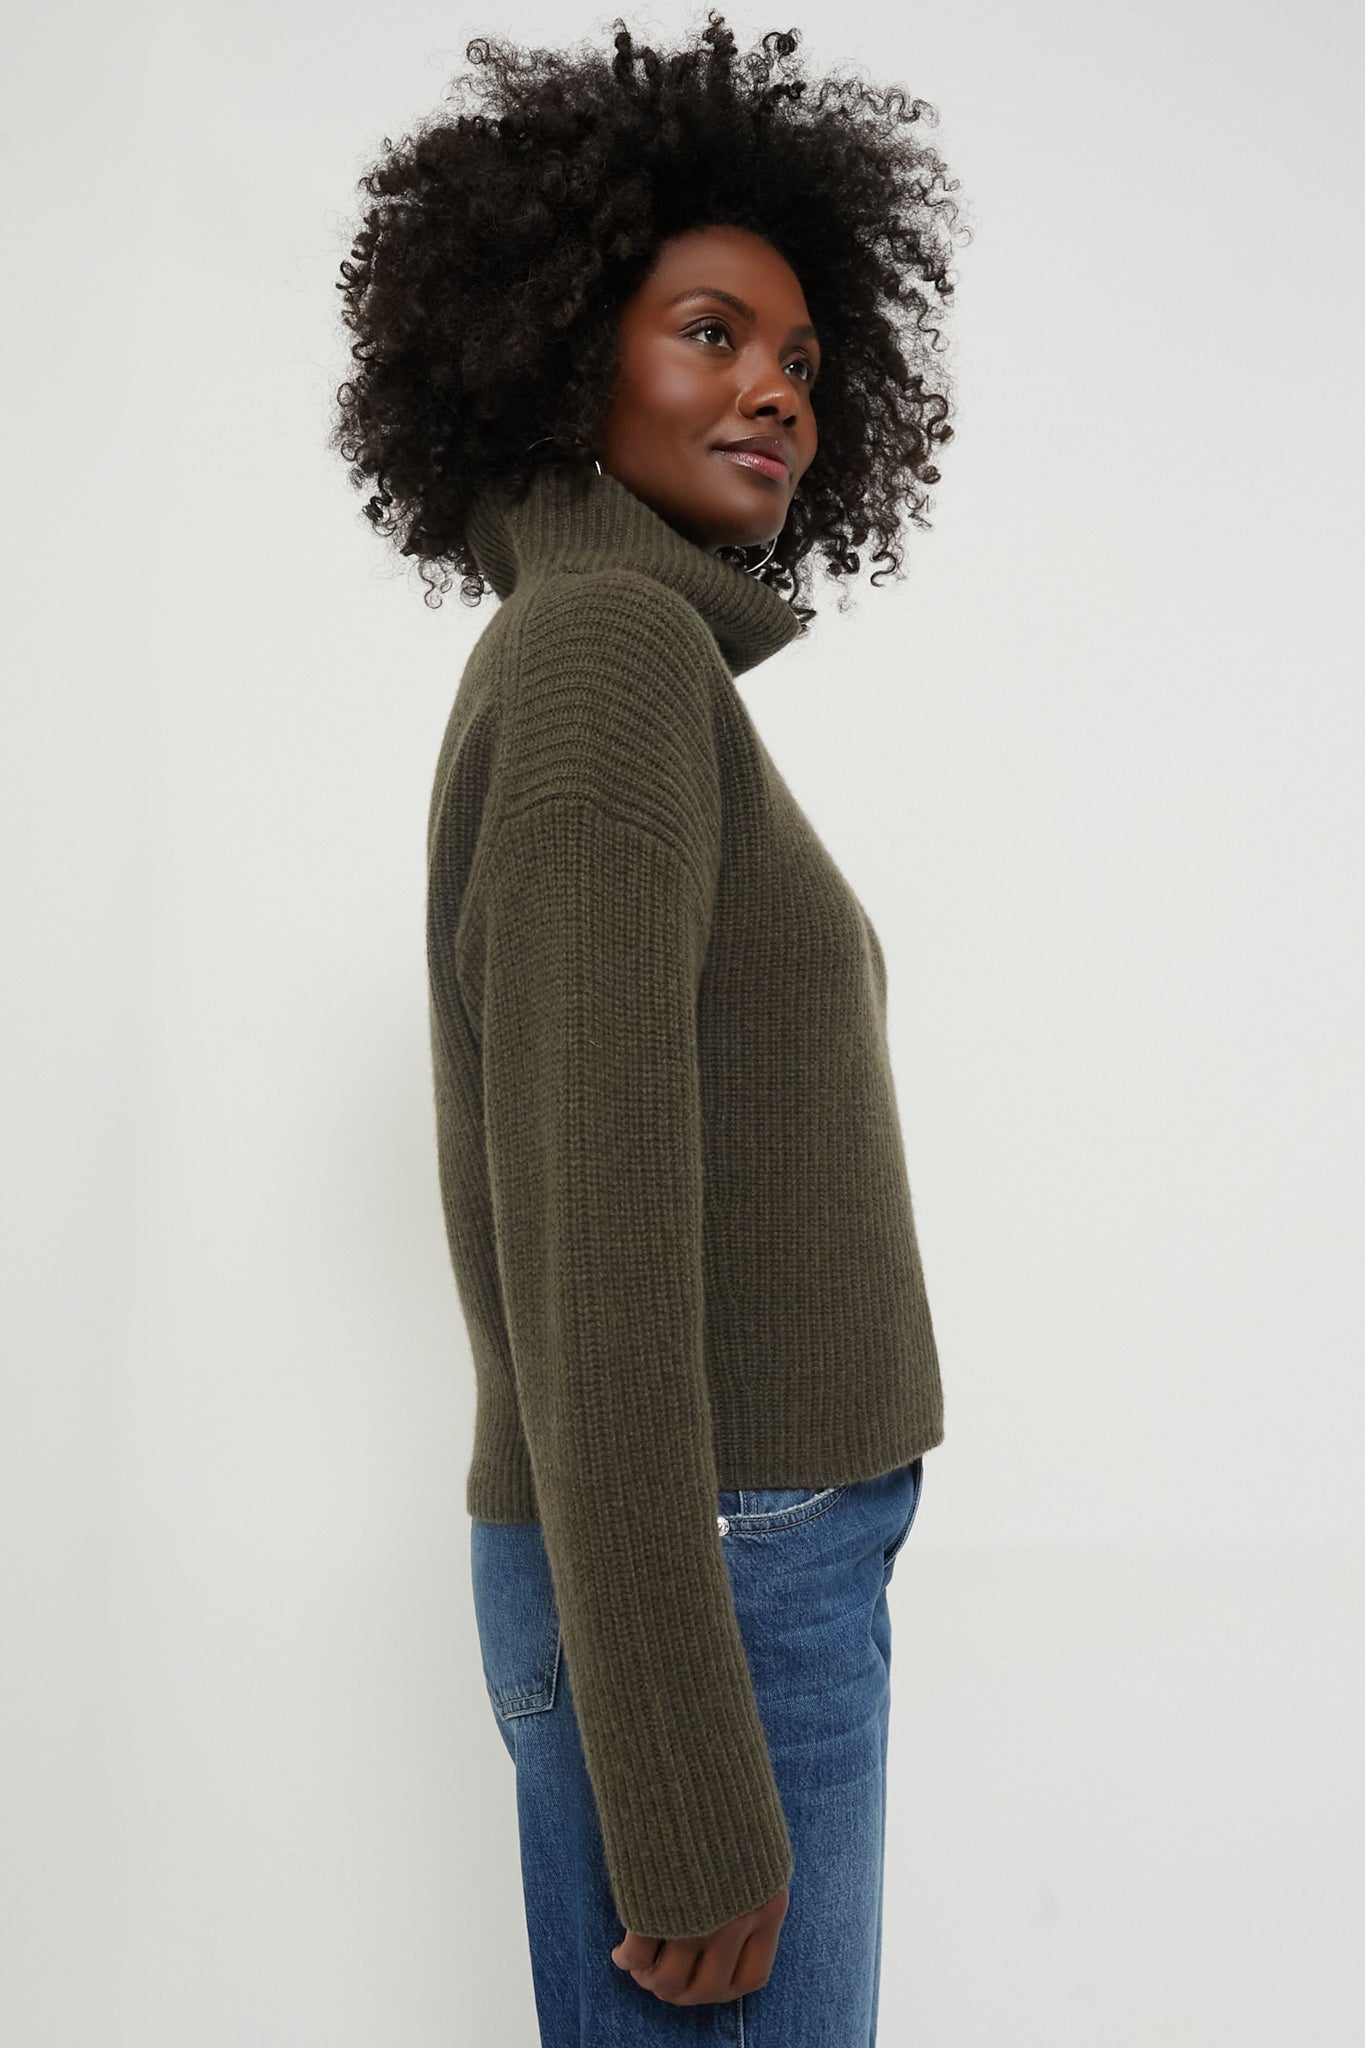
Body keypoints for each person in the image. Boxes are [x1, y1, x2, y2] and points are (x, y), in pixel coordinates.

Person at [329, 14, 967, 2041]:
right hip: (713, 1583)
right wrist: (683, 1782)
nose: (776, 390)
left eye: (801, 360)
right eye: (710, 334)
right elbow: (590, 1252)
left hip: (728, 1560)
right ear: (557, 350)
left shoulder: (612, 651)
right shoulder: (609, 659)